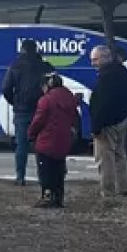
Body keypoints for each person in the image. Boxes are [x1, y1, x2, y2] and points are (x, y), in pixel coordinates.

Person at [1, 39, 52, 185]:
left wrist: (15, 102)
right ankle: (43, 177)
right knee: (41, 145)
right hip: (42, 110)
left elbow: (6, 88)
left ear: (22, 49)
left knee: (21, 145)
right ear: (36, 49)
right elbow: (54, 86)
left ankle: (20, 177)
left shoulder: (15, 66)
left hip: (22, 111)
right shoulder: (45, 67)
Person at [28, 73, 78, 208]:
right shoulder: (70, 97)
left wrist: (31, 135)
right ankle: (58, 197)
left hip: (46, 141)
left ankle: (47, 196)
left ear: (46, 86)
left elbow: (38, 121)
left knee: (45, 171)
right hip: (63, 141)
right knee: (58, 170)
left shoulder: (46, 100)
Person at [89, 45, 127, 197]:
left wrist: (96, 127)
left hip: (108, 123)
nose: (93, 63)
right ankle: (124, 187)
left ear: (105, 58)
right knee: (120, 155)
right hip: (123, 119)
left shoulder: (106, 78)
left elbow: (103, 105)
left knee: (105, 158)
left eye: (95, 59)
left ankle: (107, 191)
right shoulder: (122, 72)